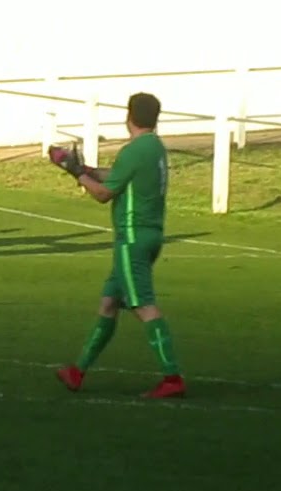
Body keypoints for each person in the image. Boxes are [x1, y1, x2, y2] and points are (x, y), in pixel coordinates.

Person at [49, 92, 184, 399]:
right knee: (109, 303)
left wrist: (76, 173)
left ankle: (172, 377)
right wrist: (87, 170)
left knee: (142, 305)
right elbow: (119, 176)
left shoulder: (133, 150)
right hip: (150, 234)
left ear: (129, 116)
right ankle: (77, 371)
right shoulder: (154, 147)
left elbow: (103, 194)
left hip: (132, 238)